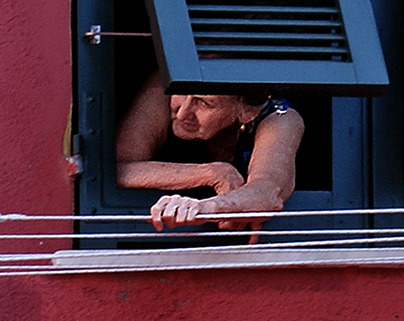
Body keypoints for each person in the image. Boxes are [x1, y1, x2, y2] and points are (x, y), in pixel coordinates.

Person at [112, 76, 305, 235]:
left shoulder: (281, 118)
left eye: (203, 102)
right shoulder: (165, 86)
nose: (182, 113)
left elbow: (268, 191)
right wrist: (213, 173)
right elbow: (117, 169)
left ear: (246, 112)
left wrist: (206, 209)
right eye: (182, 92)